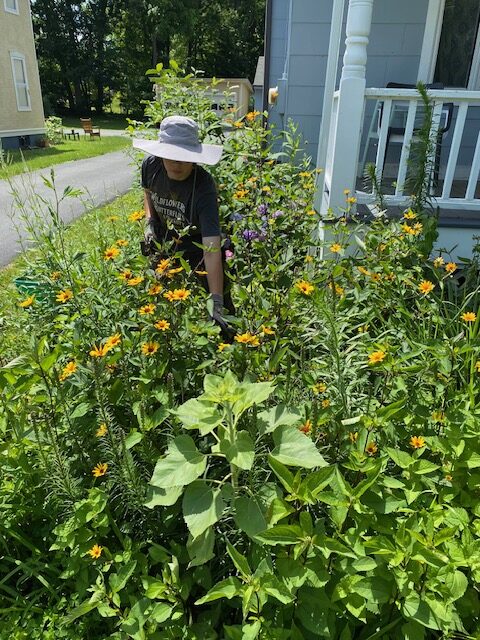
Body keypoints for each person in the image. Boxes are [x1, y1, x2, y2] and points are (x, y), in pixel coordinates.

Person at [133, 115, 232, 337]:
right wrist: (150, 222)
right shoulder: (151, 166)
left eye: (184, 157)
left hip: (196, 247)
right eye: (171, 156)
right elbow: (148, 193)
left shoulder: (204, 188)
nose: (177, 163)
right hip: (163, 243)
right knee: (160, 303)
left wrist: (216, 301)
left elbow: (211, 248)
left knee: (221, 311)